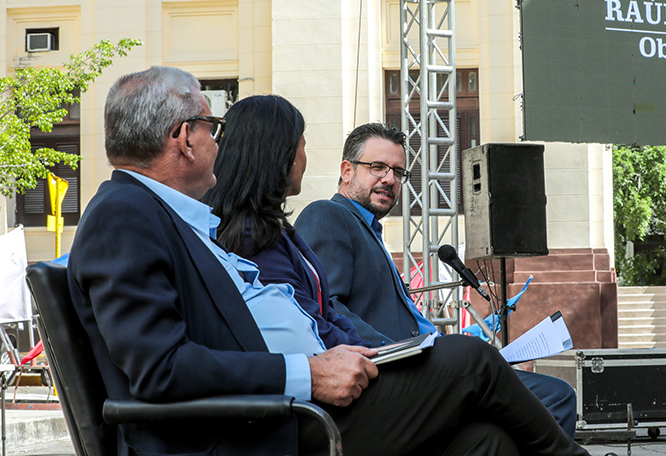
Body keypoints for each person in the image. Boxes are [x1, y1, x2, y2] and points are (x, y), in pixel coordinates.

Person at [69, 68, 588, 456]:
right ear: (185, 138)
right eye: (212, 127)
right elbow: (161, 369)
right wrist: (308, 373)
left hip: (288, 408)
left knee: (488, 443)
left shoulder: (172, 216)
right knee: (472, 361)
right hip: (261, 427)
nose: (218, 141)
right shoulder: (125, 216)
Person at [291, 122, 580, 438]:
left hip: (426, 369)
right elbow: (326, 308)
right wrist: (406, 354)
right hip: (397, 377)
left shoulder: (368, 230)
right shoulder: (328, 215)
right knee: (556, 397)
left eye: (398, 172)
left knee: (504, 420)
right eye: (377, 167)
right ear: (347, 171)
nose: (389, 179)